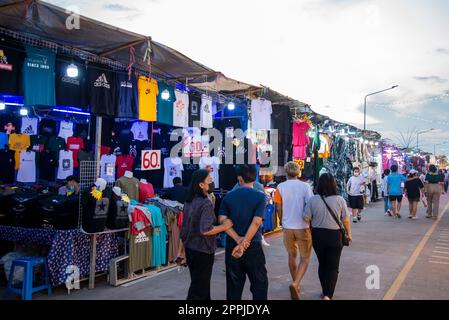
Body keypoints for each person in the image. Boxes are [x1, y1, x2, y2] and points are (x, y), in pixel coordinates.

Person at [179, 169, 233, 300]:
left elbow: (184, 228)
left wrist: (181, 251)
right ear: (201, 185)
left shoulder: (189, 201)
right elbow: (206, 230)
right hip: (203, 250)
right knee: (199, 288)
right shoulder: (205, 203)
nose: (211, 182)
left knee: (200, 285)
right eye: (209, 179)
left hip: (190, 248)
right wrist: (224, 226)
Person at [218, 164, 268, 300]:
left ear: (239, 179)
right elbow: (257, 222)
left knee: (234, 286)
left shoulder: (229, 196)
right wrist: (244, 242)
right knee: (259, 284)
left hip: (232, 245)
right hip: (253, 245)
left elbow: (223, 220)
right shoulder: (260, 197)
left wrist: (238, 240)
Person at [303, 173, 352, 300]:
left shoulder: (313, 199)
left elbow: (306, 217)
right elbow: (345, 220)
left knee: (322, 264)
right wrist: (349, 234)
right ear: (334, 184)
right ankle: (328, 295)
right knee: (333, 266)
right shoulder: (340, 200)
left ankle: (325, 291)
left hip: (318, 235)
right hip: (335, 235)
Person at [273, 162, 313, 300]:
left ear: (286, 172)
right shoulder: (305, 186)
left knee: (291, 255)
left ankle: (295, 282)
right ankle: (296, 283)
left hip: (287, 227)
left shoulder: (280, 187)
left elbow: (278, 207)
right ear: (298, 172)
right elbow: (310, 205)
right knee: (305, 257)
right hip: (303, 226)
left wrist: (282, 221)